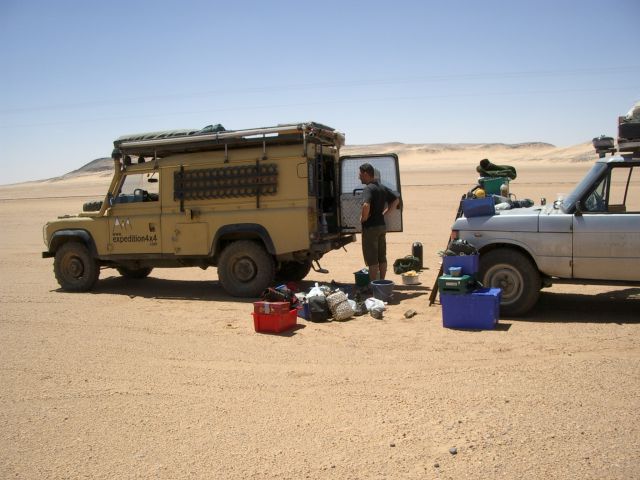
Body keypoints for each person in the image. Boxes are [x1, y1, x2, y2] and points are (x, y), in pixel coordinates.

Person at [358, 163, 400, 281]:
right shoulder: (381, 187)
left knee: (372, 260)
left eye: (360, 174)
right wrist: (385, 213)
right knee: (382, 257)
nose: (359, 177)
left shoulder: (368, 188)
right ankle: (381, 281)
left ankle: (373, 286)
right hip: (381, 226)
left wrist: (363, 218)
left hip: (370, 228)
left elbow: (366, 205)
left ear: (366, 174)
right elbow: (396, 199)